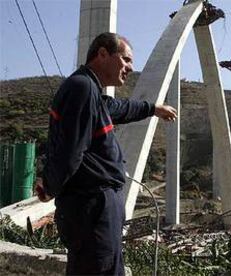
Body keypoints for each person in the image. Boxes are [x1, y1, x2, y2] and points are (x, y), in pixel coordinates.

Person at [35, 32, 177, 275]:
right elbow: (70, 150)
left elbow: (119, 108)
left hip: (98, 207)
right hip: (91, 206)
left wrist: (153, 109)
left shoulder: (91, 92)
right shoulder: (81, 87)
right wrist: (49, 186)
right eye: (126, 59)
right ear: (102, 54)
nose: (131, 67)